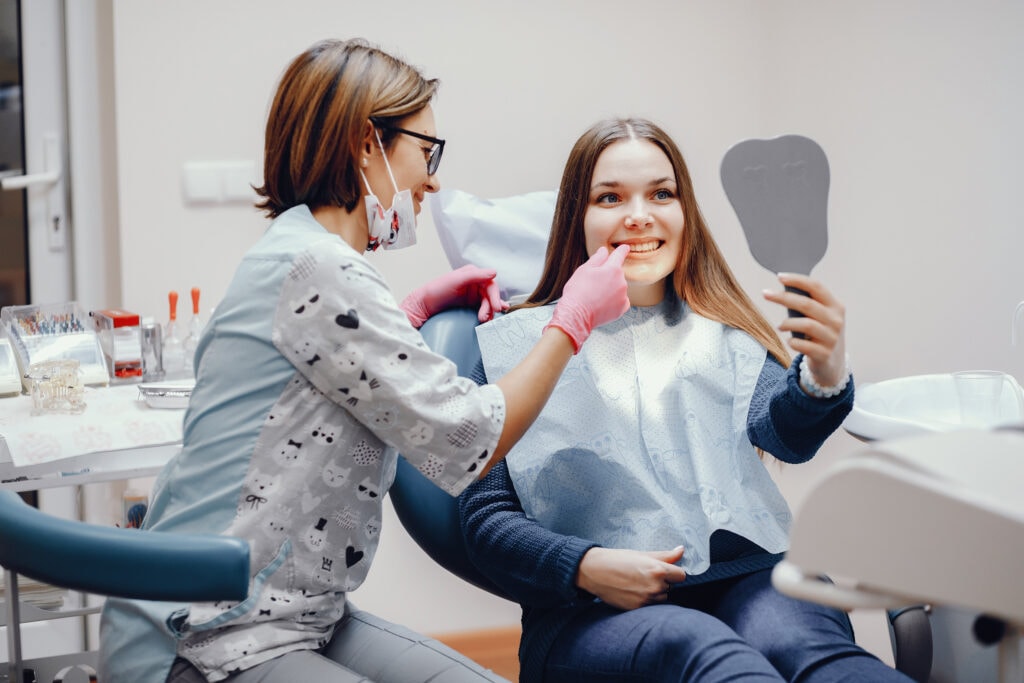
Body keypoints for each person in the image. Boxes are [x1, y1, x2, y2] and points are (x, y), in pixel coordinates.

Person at [98, 39, 630, 683]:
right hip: (207, 629)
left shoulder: (298, 252)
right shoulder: (324, 269)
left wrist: (404, 316)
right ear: (365, 143)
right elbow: (471, 437)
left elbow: (315, 381)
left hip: (301, 615)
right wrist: (570, 320)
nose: (433, 177)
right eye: (426, 150)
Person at [459, 117, 914, 682]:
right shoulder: (517, 349)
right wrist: (585, 566)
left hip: (750, 577)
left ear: (685, 212)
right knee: (705, 652)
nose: (639, 215)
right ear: (577, 216)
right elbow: (485, 521)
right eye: (610, 197)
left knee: (816, 657)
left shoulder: (726, 334)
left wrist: (821, 374)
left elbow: (785, 435)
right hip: (591, 609)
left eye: (661, 193)